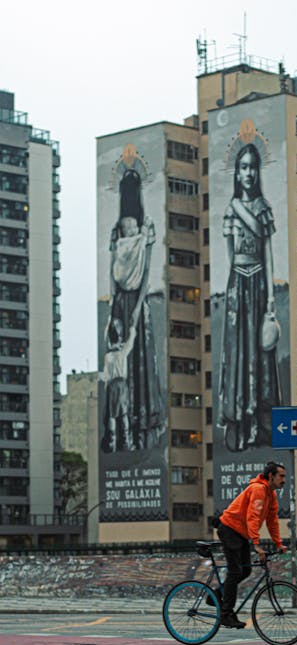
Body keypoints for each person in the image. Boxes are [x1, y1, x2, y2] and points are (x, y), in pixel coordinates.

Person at [218, 143, 281, 452]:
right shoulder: (231, 210)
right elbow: (231, 257)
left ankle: (260, 423)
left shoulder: (263, 207)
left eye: (252, 166)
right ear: (237, 171)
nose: (248, 172)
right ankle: (240, 423)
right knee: (238, 354)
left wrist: (270, 298)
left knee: (260, 356)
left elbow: (268, 256)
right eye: (243, 166)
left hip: (257, 287)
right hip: (238, 289)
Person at [108, 168, 162, 451]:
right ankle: (126, 435)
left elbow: (146, 275)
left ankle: (144, 428)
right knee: (127, 367)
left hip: (135, 305)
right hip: (122, 303)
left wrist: (138, 308)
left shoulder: (145, 229)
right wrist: (113, 312)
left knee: (140, 362)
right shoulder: (117, 231)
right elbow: (112, 274)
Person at [215, 461, 288, 629]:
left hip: (241, 534)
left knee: (246, 570)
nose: (284, 480)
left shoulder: (271, 494)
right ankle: (226, 615)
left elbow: (272, 521)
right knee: (235, 571)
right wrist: (256, 544)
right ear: (271, 476)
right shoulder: (258, 489)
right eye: (281, 476)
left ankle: (216, 595)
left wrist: (278, 543)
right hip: (229, 529)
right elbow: (253, 517)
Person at [99, 319, 136, 452]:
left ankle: (112, 443)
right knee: (123, 413)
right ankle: (126, 441)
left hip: (111, 387)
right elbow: (131, 340)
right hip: (121, 385)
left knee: (112, 415)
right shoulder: (122, 352)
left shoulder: (108, 356)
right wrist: (132, 329)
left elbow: (106, 376)